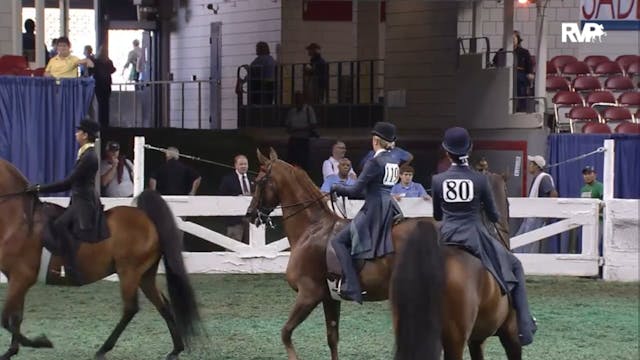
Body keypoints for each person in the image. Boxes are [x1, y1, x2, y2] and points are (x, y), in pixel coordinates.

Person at [431, 126, 536, 346]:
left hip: (446, 234)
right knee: (515, 266)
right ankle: (524, 327)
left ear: (447, 152)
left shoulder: (438, 180)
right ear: (470, 149)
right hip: (474, 234)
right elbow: (494, 214)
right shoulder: (480, 180)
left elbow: (437, 214)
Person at [25, 119, 109, 283]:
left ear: (85, 135)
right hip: (78, 199)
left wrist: (40, 188)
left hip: (84, 202)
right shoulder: (85, 153)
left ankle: (71, 269)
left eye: (79, 131)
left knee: (59, 225)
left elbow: (68, 182)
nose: (76, 134)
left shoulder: (89, 157)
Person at [329, 122, 402, 304]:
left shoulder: (375, 162)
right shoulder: (394, 159)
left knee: (338, 241)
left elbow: (355, 191)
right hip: (389, 206)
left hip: (374, 209)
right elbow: (374, 188)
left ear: (376, 140)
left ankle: (351, 286)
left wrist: (338, 187)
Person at [514, 155, 558, 253]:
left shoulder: (544, 178)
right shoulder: (537, 178)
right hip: (531, 216)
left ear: (537, 166)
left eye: (531, 164)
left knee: (527, 243)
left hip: (537, 216)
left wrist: (548, 213)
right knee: (519, 240)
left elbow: (553, 193)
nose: (529, 166)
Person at [218, 154, 254, 243]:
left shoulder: (253, 178)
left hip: (250, 219)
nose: (243, 166)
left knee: (251, 246)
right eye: (241, 164)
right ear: (235, 165)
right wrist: (237, 198)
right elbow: (221, 197)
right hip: (235, 220)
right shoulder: (228, 180)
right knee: (233, 246)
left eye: (245, 164)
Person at [285, 91, 318, 171]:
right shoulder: (292, 111)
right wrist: (291, 130)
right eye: (296, 99)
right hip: (293, 139)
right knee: (292, 160)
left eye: (299, 99)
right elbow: (287, 125)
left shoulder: (308, 110)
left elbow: (313, 124)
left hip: (303, 139)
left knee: (303, 161)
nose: (298, 101)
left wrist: (301, 129)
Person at [580, 165, 604, 256]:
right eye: (585, 174)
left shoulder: (599, 186)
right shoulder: (583, 189)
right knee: (587, 244)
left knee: (595, 243)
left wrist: (594, 212)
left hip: (598, 220)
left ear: (595, 175)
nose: (587, 176)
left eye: (589, 173)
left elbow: (603, 202)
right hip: (586, 221)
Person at [92, 45, 116, 128]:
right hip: (107, 85)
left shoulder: (96, 61)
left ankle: (100, 122)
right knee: (106, 104)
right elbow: (113, 70)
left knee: (100, 103)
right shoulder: (108, 61)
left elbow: (92, 71)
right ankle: (105, 122)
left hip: (98, 85)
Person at [513, 31, 534, 112]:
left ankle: (521, 107)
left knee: (520, 81)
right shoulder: (502, 51)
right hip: (505, 74)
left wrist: (530, 73)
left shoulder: (524, 52)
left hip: (520, 73)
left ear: (518, 40)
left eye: (514, 38)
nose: (512, 40)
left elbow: (529, 66)